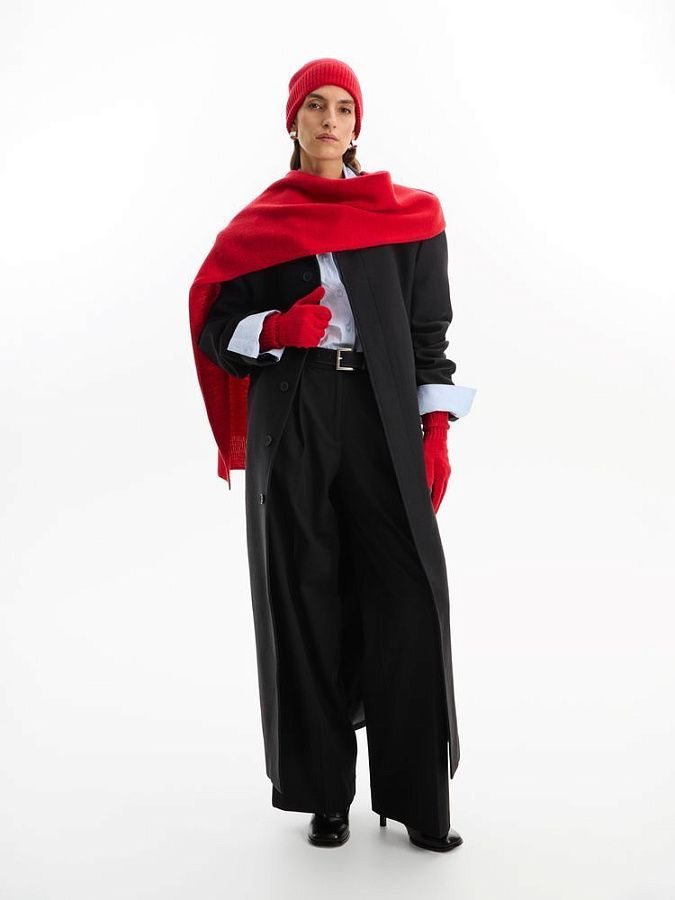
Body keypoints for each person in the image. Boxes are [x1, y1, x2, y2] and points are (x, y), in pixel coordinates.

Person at [188, 58, 476, 852]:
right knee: (303, 591)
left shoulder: (409, 216)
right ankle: (325, 796)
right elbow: (215, 329)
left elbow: (428, 332)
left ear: (357, 125)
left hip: (381, 410)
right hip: (295, 412)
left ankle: (419, 802)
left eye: (342, 107)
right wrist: (275, 329)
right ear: (292, 121)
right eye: (313, 106)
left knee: (409, 594)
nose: (327, 119)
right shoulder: (260, 225)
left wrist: (436, 429)